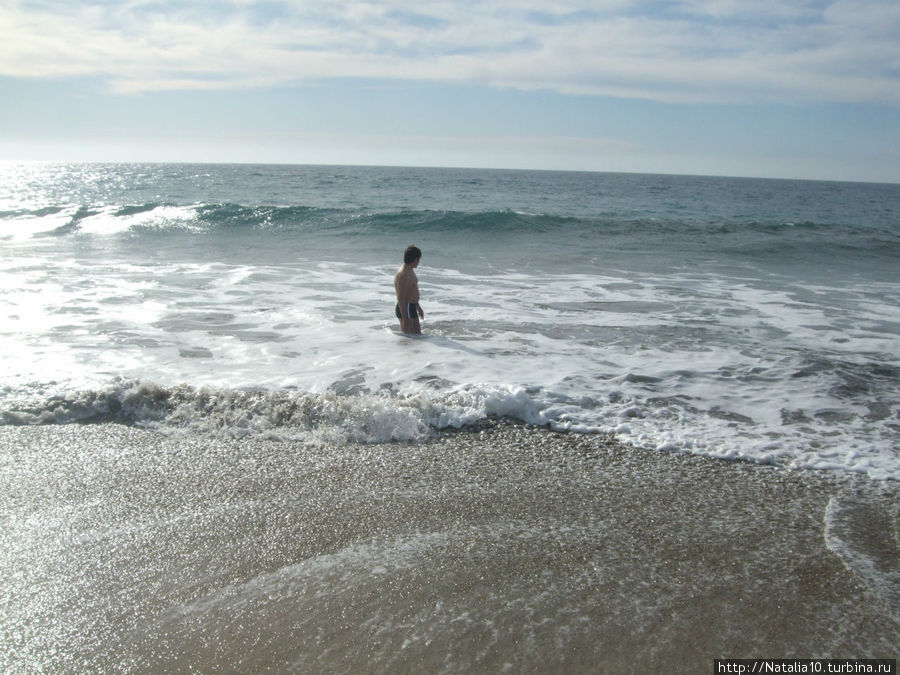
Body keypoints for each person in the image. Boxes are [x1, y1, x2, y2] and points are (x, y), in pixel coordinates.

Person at [394, 245, 425, 334]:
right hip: (406, 308)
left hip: (411, 306)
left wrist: (418, 307)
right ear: (414, 259)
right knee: (409, 339)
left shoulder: (410, 269)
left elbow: (411, 292)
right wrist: (405, 318)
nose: (419, 262)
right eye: (418, 259)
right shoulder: (403, 275)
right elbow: (401, 298)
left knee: (416, 337)